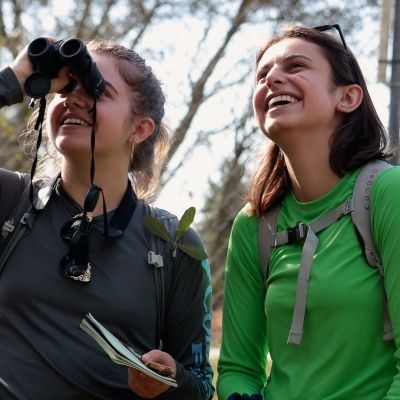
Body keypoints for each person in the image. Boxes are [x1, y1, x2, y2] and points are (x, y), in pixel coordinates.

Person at [0, 37, 214, 399]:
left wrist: (170, 381)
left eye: (97, 90)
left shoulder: (173, 243)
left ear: (140, 128)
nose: (74, 99)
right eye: (66, 87)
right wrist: (13, 81)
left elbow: (200, 384)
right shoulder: (10, 202)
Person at [217, 24, 400, 399]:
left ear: (347, 98)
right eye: (263, 75)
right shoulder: (254, 224)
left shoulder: (388, 193)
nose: (273, 80)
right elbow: (238, 369)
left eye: (295, 66)